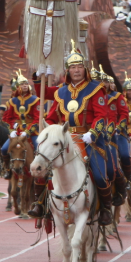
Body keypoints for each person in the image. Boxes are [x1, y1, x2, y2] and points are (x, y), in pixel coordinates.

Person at [39, 46, 116, 225]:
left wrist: (93, 133)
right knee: (42, 166)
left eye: (79, 67)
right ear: (68, 71)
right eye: (72, 67)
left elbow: (101, 116)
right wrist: (50, 133)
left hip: (89, 139)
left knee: (99, 174)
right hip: (64, 140)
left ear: (85, 69)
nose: (76, 70)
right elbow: (51, 118)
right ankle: (40, 203)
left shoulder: (96, 89)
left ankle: (105, 208)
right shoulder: (61, 92)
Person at [1, 71, 41, 179]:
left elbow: (37, 119)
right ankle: (8, 169)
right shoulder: (12, 101)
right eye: (22, 84)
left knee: (40, 149)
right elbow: (8, 119)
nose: (24, 86)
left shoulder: (35, 100)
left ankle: (41, 173)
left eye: (26, 84)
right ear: (18, 87)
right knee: (4, 149)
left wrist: (27, 132)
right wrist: (11, 130)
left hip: (31, 132)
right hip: (17, 131)